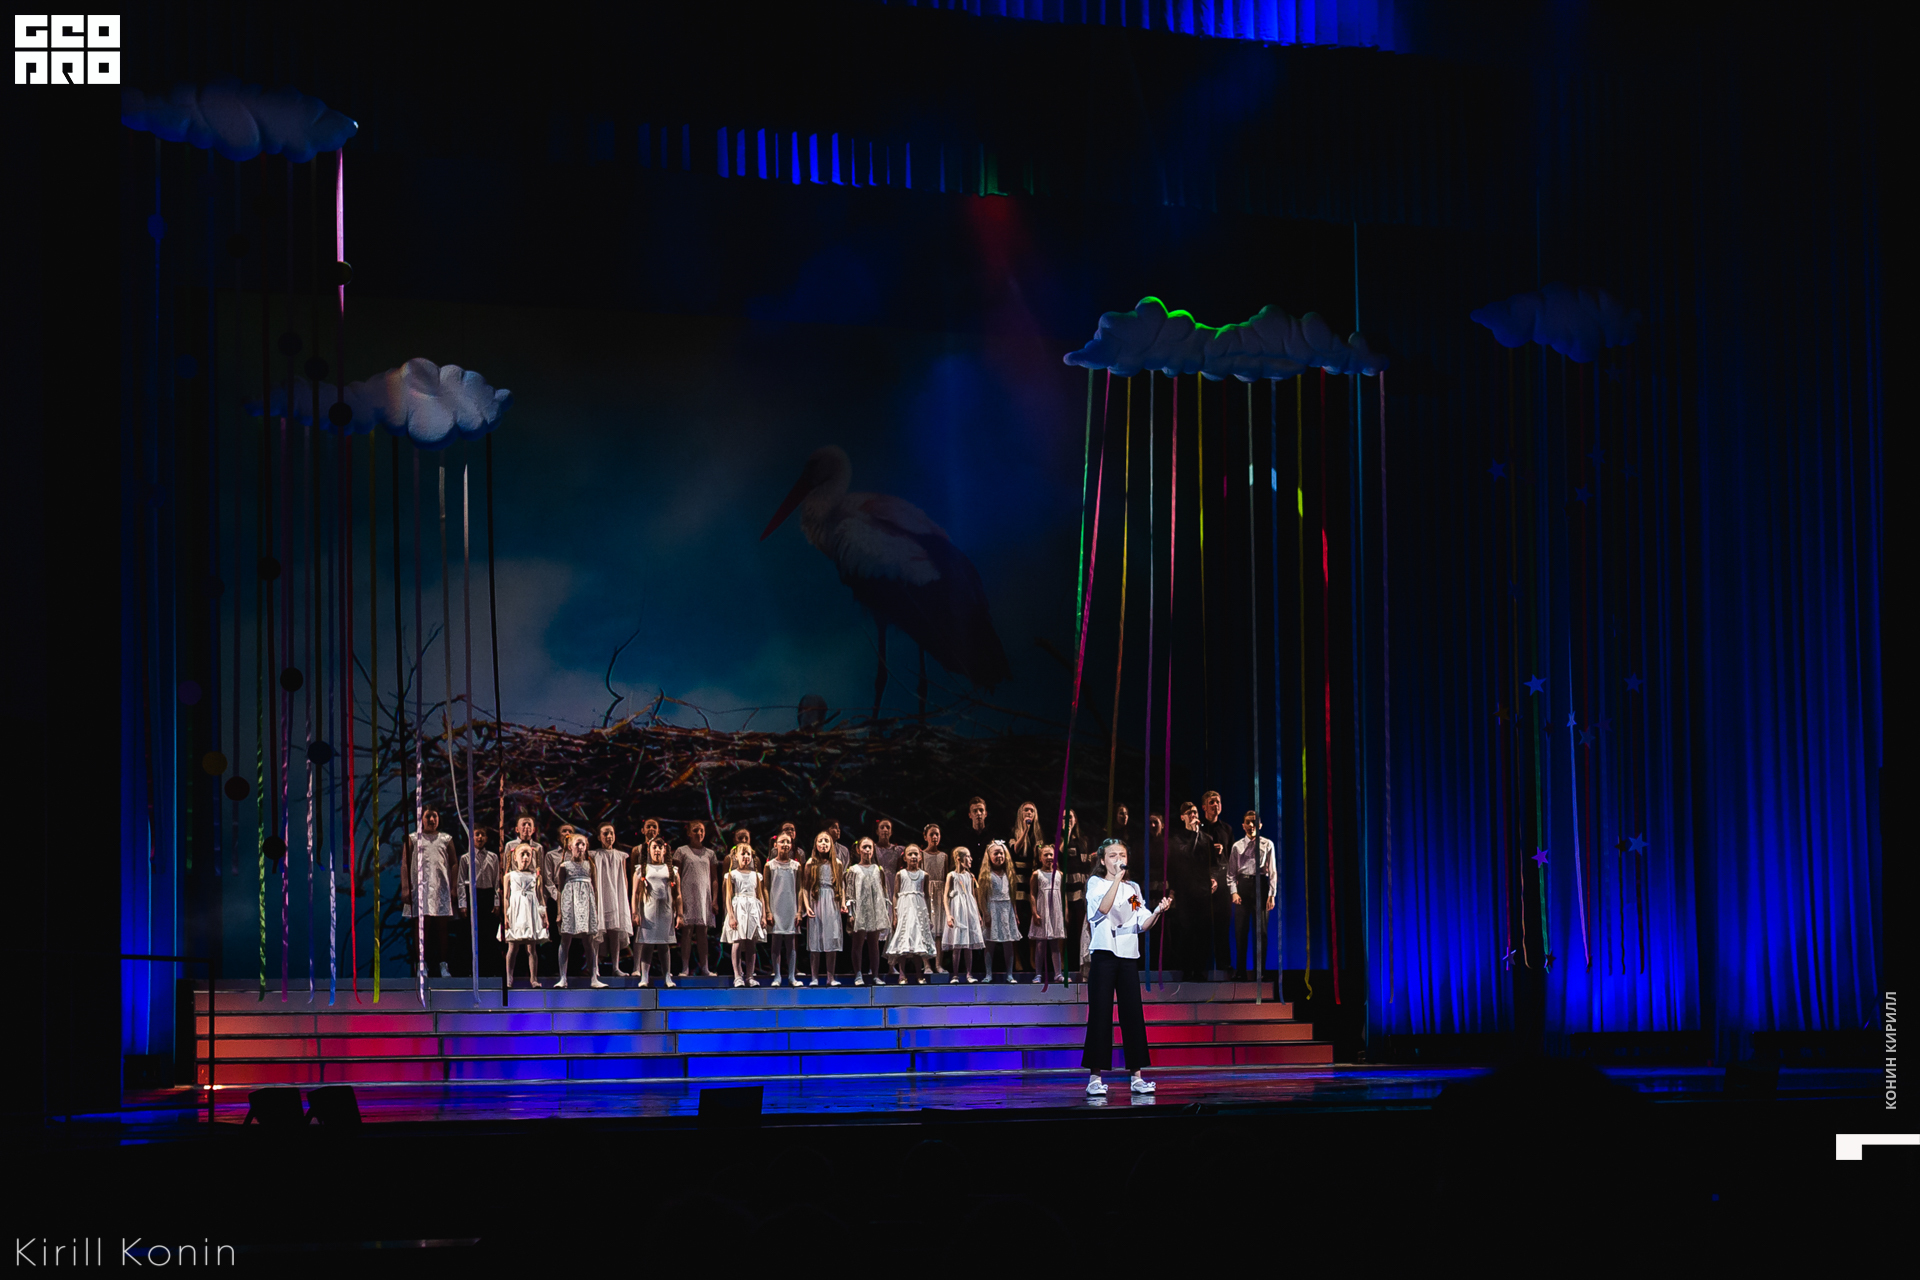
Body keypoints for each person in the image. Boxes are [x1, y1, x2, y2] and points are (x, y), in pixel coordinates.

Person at [1082, 838, 1171, 1096]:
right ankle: (1095, 1078)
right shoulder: (1096, 883)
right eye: (1112, 855)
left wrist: (1157, 912)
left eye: (1121, 854)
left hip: (1128, 956)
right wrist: (1117, 880)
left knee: (1132, 1015)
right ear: (1102, 860)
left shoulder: (1133, 889)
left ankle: (1137, 1077)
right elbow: (1103, 908)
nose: (1118, 859)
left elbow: (1141, 922)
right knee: (1100, 1014)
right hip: (1104, 955)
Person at [1162, 802, 1218, 982]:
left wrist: (1214, 878)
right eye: (1189, 813)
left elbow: (1214, 864)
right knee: (1186, 931)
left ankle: (1200, 970)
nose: (1193, 815)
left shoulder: (1207, 839)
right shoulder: (1177, 840)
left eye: (1194, 812)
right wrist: (1194, 834)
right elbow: (1185, 855)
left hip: (1202, 892)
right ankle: (1186, 970)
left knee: (1203, 932)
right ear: (1182, 817)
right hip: (1185, 892)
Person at [400, 807, 457, 978]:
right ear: (421, 819)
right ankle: (421, 964)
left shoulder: (446, 839)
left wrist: (453, 887)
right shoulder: (413, 839)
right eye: (428, 816)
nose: (432, 820)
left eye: (435, 816)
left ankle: (443, 964)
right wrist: (405, 887)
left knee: (442, 928)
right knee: (421, 927)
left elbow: (454, 863)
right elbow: (405, 864)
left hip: (441, 888)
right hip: (420, 888)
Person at [1227, 810, 1278, 982]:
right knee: (1240, 931)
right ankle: (1241, 971)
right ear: (1243, 825)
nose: (1251, 825)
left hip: (1260, 885)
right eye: (1248, 822)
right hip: (1243, 885)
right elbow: (1231, 873)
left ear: (1260, 825)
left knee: (1261, 932)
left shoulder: (1267, 844)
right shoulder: (1237, 846)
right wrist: (1234, 891)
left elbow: (1272, 872)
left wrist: (1272, 894)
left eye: (1254, 822)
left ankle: (1260, 971)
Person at [553, 833, 602, 989]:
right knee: (565, 940)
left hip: (586, 904)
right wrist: (559, 912)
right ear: (570, 847)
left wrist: (595, 910)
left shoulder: (590, 865)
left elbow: (595, 889)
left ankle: (594, 978)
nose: (580, 847)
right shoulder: (564, 866)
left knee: (589, 941)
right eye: (577, 844)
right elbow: (560, 890)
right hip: (570, 903)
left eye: (583, 845)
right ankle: (562, 978)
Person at [630, 837, 679, 988]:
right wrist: (635, 913)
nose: (657, 850)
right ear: (649, 850)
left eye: (659, 848)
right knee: (648, 944)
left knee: (664, 945)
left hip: (665, 911)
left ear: (664, 850)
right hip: (648, 911)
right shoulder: (642, 869)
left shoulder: (671, 870)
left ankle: (667, 977)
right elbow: (635, 893)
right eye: (654, 847)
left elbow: (678, 894)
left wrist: (680, 914)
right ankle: (644, 977)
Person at [455, 824, 503, 977]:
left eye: (482, 834)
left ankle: (488, 969)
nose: (480, 837)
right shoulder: (465, 858)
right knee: (471, 934)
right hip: (472, 896)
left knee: (488, 934)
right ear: (471, 837)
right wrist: (463, 904)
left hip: (487, 896)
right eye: (477, 834)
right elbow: (461, 882)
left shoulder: (493, 857)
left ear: (487, 838)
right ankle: (471, 970)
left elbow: (497, 882)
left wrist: (497, 902)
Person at [674, 820, 720, 978]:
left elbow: (714, 878)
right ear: (688, 833)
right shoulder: (682, 851)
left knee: (702, 933)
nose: (699, 833)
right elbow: (676, 876)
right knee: (687, 932)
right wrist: (677, 898)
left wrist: (714, 900)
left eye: (701, 830)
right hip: (687, 895)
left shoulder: (710, 854)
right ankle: (685, 968)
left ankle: (705, 968)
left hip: (703, 896)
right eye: (695, 830)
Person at [885, 845, 937, 984]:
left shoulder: (924, 875)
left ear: (920, 857)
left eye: (916, 854)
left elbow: (927, 896)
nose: (913, 857)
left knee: (917, 940)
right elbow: (895, 895)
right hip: (905, 909)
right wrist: (895, 915)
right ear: (905, 858)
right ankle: (902, 974)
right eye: (910, 854)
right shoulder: (900, 874)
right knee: (904, 939)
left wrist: (929, 916)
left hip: (919, 910)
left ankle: (919, 974)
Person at [1197, 792, 1235, 977]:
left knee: (1223, 925)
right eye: (1211, 802)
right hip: (1203, 882)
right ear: (1204, 807)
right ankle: (1201, 968)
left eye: (1218, 802)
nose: (1215, 805)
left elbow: (1232, 857)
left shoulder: (1226, 829)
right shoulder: (1198, 828)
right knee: (1203, 927)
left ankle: (1224, 966)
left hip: (1223, 882)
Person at [500, 842, 548, 988]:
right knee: (512, 947)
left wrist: (544, 915)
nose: (525, 857)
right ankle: (509, 978)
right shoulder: (509, 876)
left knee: (531, 948)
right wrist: (505, 916)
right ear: (515, 857)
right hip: (516, 913)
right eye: (522, 854)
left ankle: (533, 979)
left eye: (528, 854)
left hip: (530, 913)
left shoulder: (535, 876)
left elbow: (540, 898)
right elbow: (506, 898)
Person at [845, 837, 891, 986]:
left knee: (874, 944)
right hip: (860, 910)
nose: (867, 850)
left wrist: (884, 910)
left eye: (870, 847)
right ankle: (858, 974)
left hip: (874, 909)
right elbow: (850, 892)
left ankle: (875, 975)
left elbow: (883, 891)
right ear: (858, 850)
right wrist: (851, 913)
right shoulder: (854, 869)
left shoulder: (878, 869)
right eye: (864, 847)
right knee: (858, 943)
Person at [590, 823, 633, 978]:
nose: (609, 837)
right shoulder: (594, 855)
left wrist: (624, 898)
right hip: (600, 896)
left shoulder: (621, 855)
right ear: (599, 837)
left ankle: (616, 967)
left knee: (615, 931)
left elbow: (624, 878)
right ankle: (595, 967)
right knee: (597, 931)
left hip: (616, 896)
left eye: (611, 833)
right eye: (605, 834)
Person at [802, 830, 844, 986]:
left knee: (831, 939)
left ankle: (830, 977)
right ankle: (814, 977)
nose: (824, 844)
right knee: (815, 940)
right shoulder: (810, 863)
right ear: (816, 844)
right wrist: (807, 906)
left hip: (831, 901)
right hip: (816, 901)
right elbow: (805, 887)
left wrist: (843, 903)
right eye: (821, 841)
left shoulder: (837, 863)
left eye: (827, 841)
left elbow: (841, 885)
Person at [720, 846, 766, 988]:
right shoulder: (732, 875)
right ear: (736, 857)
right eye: (743, 854)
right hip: (739, 908)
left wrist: (763, 915)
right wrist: (731, 916)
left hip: (753, 909)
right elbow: (728, 897)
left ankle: (750, 976)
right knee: (737, 941)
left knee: (751, 943)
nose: (746, 856)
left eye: (748, 854)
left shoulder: (756, 875)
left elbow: (761, 896)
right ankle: (737, 976)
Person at [978, 840, 1022, 982]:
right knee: (990, 943)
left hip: (1006, 910)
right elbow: (982, 897)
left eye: (1001, 853)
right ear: (989, 856)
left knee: (1008, 943)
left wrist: (1015, 913)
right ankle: (988, 974)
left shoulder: (1008, 874)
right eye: (996, 853)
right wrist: (985, 914)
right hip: (992, 909)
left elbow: (1012, 896)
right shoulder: (987, 875)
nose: (999, 856)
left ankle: (1009, 974)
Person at [764, 833, 804, 987]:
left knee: (791, 943)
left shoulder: (796, 866)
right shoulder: (770, 865)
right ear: (776, 845)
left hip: (791, 907)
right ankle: (777, 976)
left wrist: (799, 911)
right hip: (776, 907)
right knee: (776, 942)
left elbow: (800, 889)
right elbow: (765, 888)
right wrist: (768, 911)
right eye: (782, 842)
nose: (785, 845)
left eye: (788, 842)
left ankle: (792, 976)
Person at [1007, 801, 1044, 966]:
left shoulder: (1038, 834)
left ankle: (1032, 957)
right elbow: (1015, 849)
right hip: (1017, 879)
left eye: (1032, 811)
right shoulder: (1014, 832)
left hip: (1032, 878)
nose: (1029, 813)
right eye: (1026, 810)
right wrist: (1025, 830)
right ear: (1020, 814)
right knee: (1017, 919)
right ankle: (1016, 958)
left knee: (1031, 919)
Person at [942, 848, 984, 982]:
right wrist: (948, 915)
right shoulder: (951, 875)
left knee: (968, 944)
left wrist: (978, 914)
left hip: (969, 910)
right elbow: (945, 896)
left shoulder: (970, 876)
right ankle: (955, 975)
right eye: (968, 856)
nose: (971, 859)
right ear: (959, 858)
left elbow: (973, 895)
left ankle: (969, 974)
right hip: (957, 910)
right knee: (957, 945)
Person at [1028, 844, 1066, 983]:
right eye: (1046, 855)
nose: (1049, 857)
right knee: (1040, 944)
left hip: (1055, 911)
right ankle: (1038, 974)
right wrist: (1034, 913)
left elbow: (1063, 894)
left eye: (1051, 855)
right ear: (1040, 858)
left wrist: (1065, 911)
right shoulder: (1036, 874)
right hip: (1042, 911)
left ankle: (1058, 973)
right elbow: (1032, 894)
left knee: (1055, 943)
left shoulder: (1060, 874)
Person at [873, 819, 906, 979]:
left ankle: (892, 965)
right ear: (877, 831)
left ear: (891, 831)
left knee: (894, 926)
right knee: (876, 927)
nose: (885, 830)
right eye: (882, 827)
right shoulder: (873, 848)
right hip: (877, 885)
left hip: (893, 886)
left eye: (888, 827)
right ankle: (873, 966)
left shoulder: (897, 850)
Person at [921, 823, 951, 975]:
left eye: (937, 834)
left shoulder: (944, 856)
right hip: (926, 894)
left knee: (939, 932)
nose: (934, 837)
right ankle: (926, 965)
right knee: (926, 930)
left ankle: (938, 964)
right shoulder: (921, 855)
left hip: (940, 896)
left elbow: (946, 878)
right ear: (925, 836)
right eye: (931, 834)